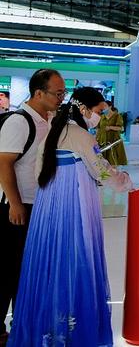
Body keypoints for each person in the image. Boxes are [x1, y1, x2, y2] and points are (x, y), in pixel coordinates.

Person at [8, 87, 131, 346]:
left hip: (48, 205)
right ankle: (75, 328)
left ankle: (47, 327)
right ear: (84, 109)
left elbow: (39, 171)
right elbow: (102, 171)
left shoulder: (53, 132)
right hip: (74, 203)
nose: (100, 116)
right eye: (98, 111)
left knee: (49, 258)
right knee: (76, 256)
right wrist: (126, 182)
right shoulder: (81, 136)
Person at [0, 69, 64, 345]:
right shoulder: (19, 121)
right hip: (17, 207)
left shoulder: (49, 120)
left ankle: (23, 322)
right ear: (39, 93)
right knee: (8, 270)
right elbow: (4, 163)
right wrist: (15, 204)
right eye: (57, 93)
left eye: (63, 93)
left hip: (40, 206)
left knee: (31, 269)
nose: (62, 98)